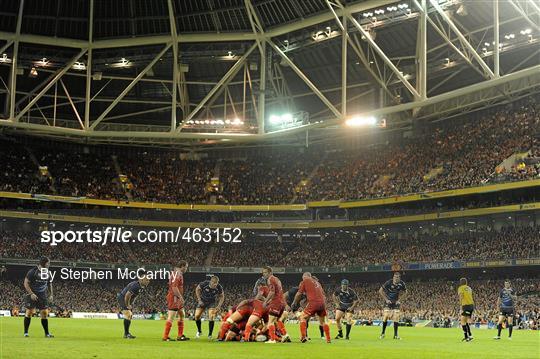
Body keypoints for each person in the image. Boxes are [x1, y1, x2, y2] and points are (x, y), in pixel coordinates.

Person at [292, 272, 331, 343]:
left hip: (313, 302)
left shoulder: (305, 281)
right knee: (323, 322)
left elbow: (299, 294)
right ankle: (328, 339)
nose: (303, 279)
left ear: (305, 276)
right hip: (322, 303)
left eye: (303, 277)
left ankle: (303, 337)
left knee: (302, 317)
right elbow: (323, 294)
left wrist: (294, 302)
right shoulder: (317, 283)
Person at [23, 256, 54, 338]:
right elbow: (26, 283)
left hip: (42, 295)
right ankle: (26, 332)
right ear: (44, 263)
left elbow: (49, 284)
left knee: (44, 313)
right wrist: (31, 293)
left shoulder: (48, 273)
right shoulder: (32, 272)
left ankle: (47, 333)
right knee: (29, 313)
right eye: (48, 263)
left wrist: (51, 294)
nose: (49, 264)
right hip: (32, 294)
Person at [117, 271, 150, 339]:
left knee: (129, 315)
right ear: (141, 279)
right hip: (123, 298)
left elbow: (134, 296)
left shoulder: (141, 286)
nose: (148, 281)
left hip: (126, 299)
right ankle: (126, 334)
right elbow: (127, 295)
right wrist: (128, 305)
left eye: (149, 280)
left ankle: (126, 333)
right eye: (146, 280)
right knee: (128, 314)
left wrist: (132, 303)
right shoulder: (136, 286)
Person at [162, 260, 190, 341]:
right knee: (171, 317)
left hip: (177, 297)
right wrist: (180, 297)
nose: (186, 269)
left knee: (182, 314)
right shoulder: (177, 274)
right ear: (182, 266)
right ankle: (165, 336)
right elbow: (174, 287)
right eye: (186, 267)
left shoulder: (176, 273)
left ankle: (180, 335)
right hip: (174, 297)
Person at [261, 266, 289, 343]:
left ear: (270, 272)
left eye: (265, 272)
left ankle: (272, 339)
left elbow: (272, 292)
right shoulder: (277, 279)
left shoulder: (270, 279)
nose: (264, 274)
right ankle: (285, 335)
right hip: (281, 302)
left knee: (270, 321)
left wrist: (266, 301)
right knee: (277, 320)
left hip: (276, 302)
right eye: (263, 273)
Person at [378, 272, 407, 340]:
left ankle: (396, 335)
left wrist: (399, 300)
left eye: (397, 277)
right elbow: (380, 291)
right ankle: (383, 333)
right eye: (395, 277)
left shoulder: (402, 283)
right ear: (393, 277)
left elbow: (406, 292)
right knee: (386, 316)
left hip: (395, 302)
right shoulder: (388, 282)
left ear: (399, 278)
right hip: (388, 301)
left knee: (396, 317)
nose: (396, 279)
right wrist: (386, 299)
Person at [457, 277, 474, 342]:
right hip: (471, 305)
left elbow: (461, 296)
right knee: (465, 321)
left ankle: (466, 337)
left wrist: (460, 306)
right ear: (466, 282)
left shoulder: (460, 288)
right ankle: (470, 335)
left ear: (460, 283)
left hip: (466, 306)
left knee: (462, 321)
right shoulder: (469, 288)